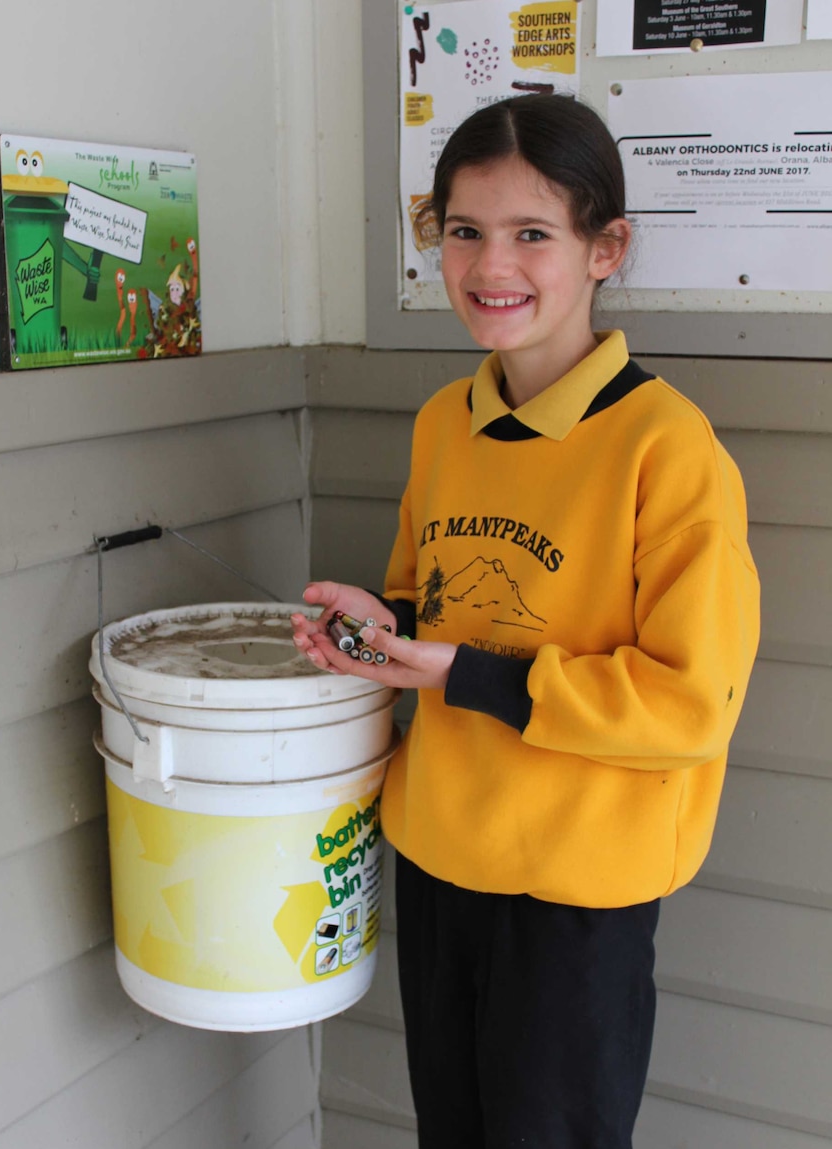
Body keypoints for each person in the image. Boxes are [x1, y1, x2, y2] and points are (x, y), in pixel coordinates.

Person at [291, 94, 760, 1149]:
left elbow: (688, 706)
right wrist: (385, 624)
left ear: (607, 248)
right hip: (441, 859)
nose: (488, 264)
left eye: (531, 234)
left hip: (579, 894)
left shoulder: (666, 448)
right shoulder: (441, 422)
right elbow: (437, 606)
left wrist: (465, 671)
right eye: (464, 231)